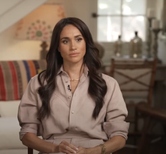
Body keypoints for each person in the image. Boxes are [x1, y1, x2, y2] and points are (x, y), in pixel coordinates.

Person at [18, 17, 129, 154]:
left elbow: (119, 137)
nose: (73, 47)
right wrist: (55, 149)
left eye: (78, 39)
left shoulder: (109, 85)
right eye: (65, 41)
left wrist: (92, 151)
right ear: (58, 47)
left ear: (86, 43)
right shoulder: (38, 83)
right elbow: (27, 134)